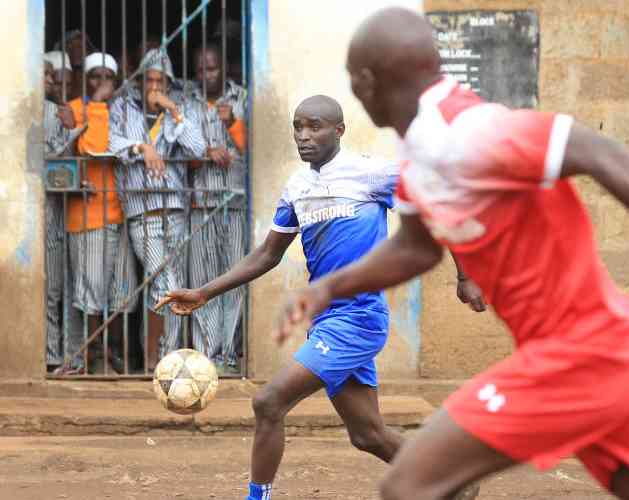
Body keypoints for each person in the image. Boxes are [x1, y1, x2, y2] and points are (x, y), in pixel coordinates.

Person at [273, 8, 629, 500]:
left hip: (576, 359)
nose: (355, 88)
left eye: (355, 78)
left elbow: (598, 150)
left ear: (369, 82)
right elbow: (414, 249)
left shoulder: (465, 132)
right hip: (616, 356)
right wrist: (327, 288)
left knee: (406, 485)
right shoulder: (419, 154)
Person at [157, 95, 479, 500]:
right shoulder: (297, 187)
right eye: (297, 127)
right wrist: (204, 292)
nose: (304, 136)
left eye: (314, 126)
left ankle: (257, 498)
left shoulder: (371, 173)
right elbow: (267, 255)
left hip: (359, 320)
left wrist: (465, 276)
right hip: (327, 322)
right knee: (368, 434)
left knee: (268, 401)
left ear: (339, 130)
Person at [108, 49, 206, 371]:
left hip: (174, 208)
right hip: (141, 210)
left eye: (159, 82)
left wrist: (174, 111)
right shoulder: (123, 107)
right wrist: (141, 146)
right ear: (139, 81)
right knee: (167, 282)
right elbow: (108, 141)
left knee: (162, 285)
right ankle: (167, 359)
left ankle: (156, 360)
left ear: (168, 84)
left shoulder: (176, 109)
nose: (153, 87)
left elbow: (199, 148)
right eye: (148, 80)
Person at [61, 53, 139, 375]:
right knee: (91, 291)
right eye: (95, 76)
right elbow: (93, 147)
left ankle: (115, 351)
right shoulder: (76, 110)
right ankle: (94, 355)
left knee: (124, 291)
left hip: (118, 213)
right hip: (87, 215)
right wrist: (95, 103)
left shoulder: (120, 111)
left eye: (108, 77)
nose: (101, 82)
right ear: (85, 78)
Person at [188, 43, 248, 373]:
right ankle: (206, 356)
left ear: (223, 69)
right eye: (199, 70)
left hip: (236, 203)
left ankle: (226, 355)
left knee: (233, 280)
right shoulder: (188, 102)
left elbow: (258, 148)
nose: (205, 75)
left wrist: (234, 123)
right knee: (203, 280)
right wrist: (204, 151)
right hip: (201, 202)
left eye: (211, 69)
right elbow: (178, 148)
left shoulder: (243, 98)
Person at [43, 51, 83, 372]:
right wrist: (71, 132)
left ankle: (63, 355)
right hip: (44, 209)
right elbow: (45, 163)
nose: (53, 82)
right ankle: (49, 353)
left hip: (64, 209)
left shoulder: (60, 110)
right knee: (50, 286)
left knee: (64, 285)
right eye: (48, 76)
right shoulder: (41, 112)